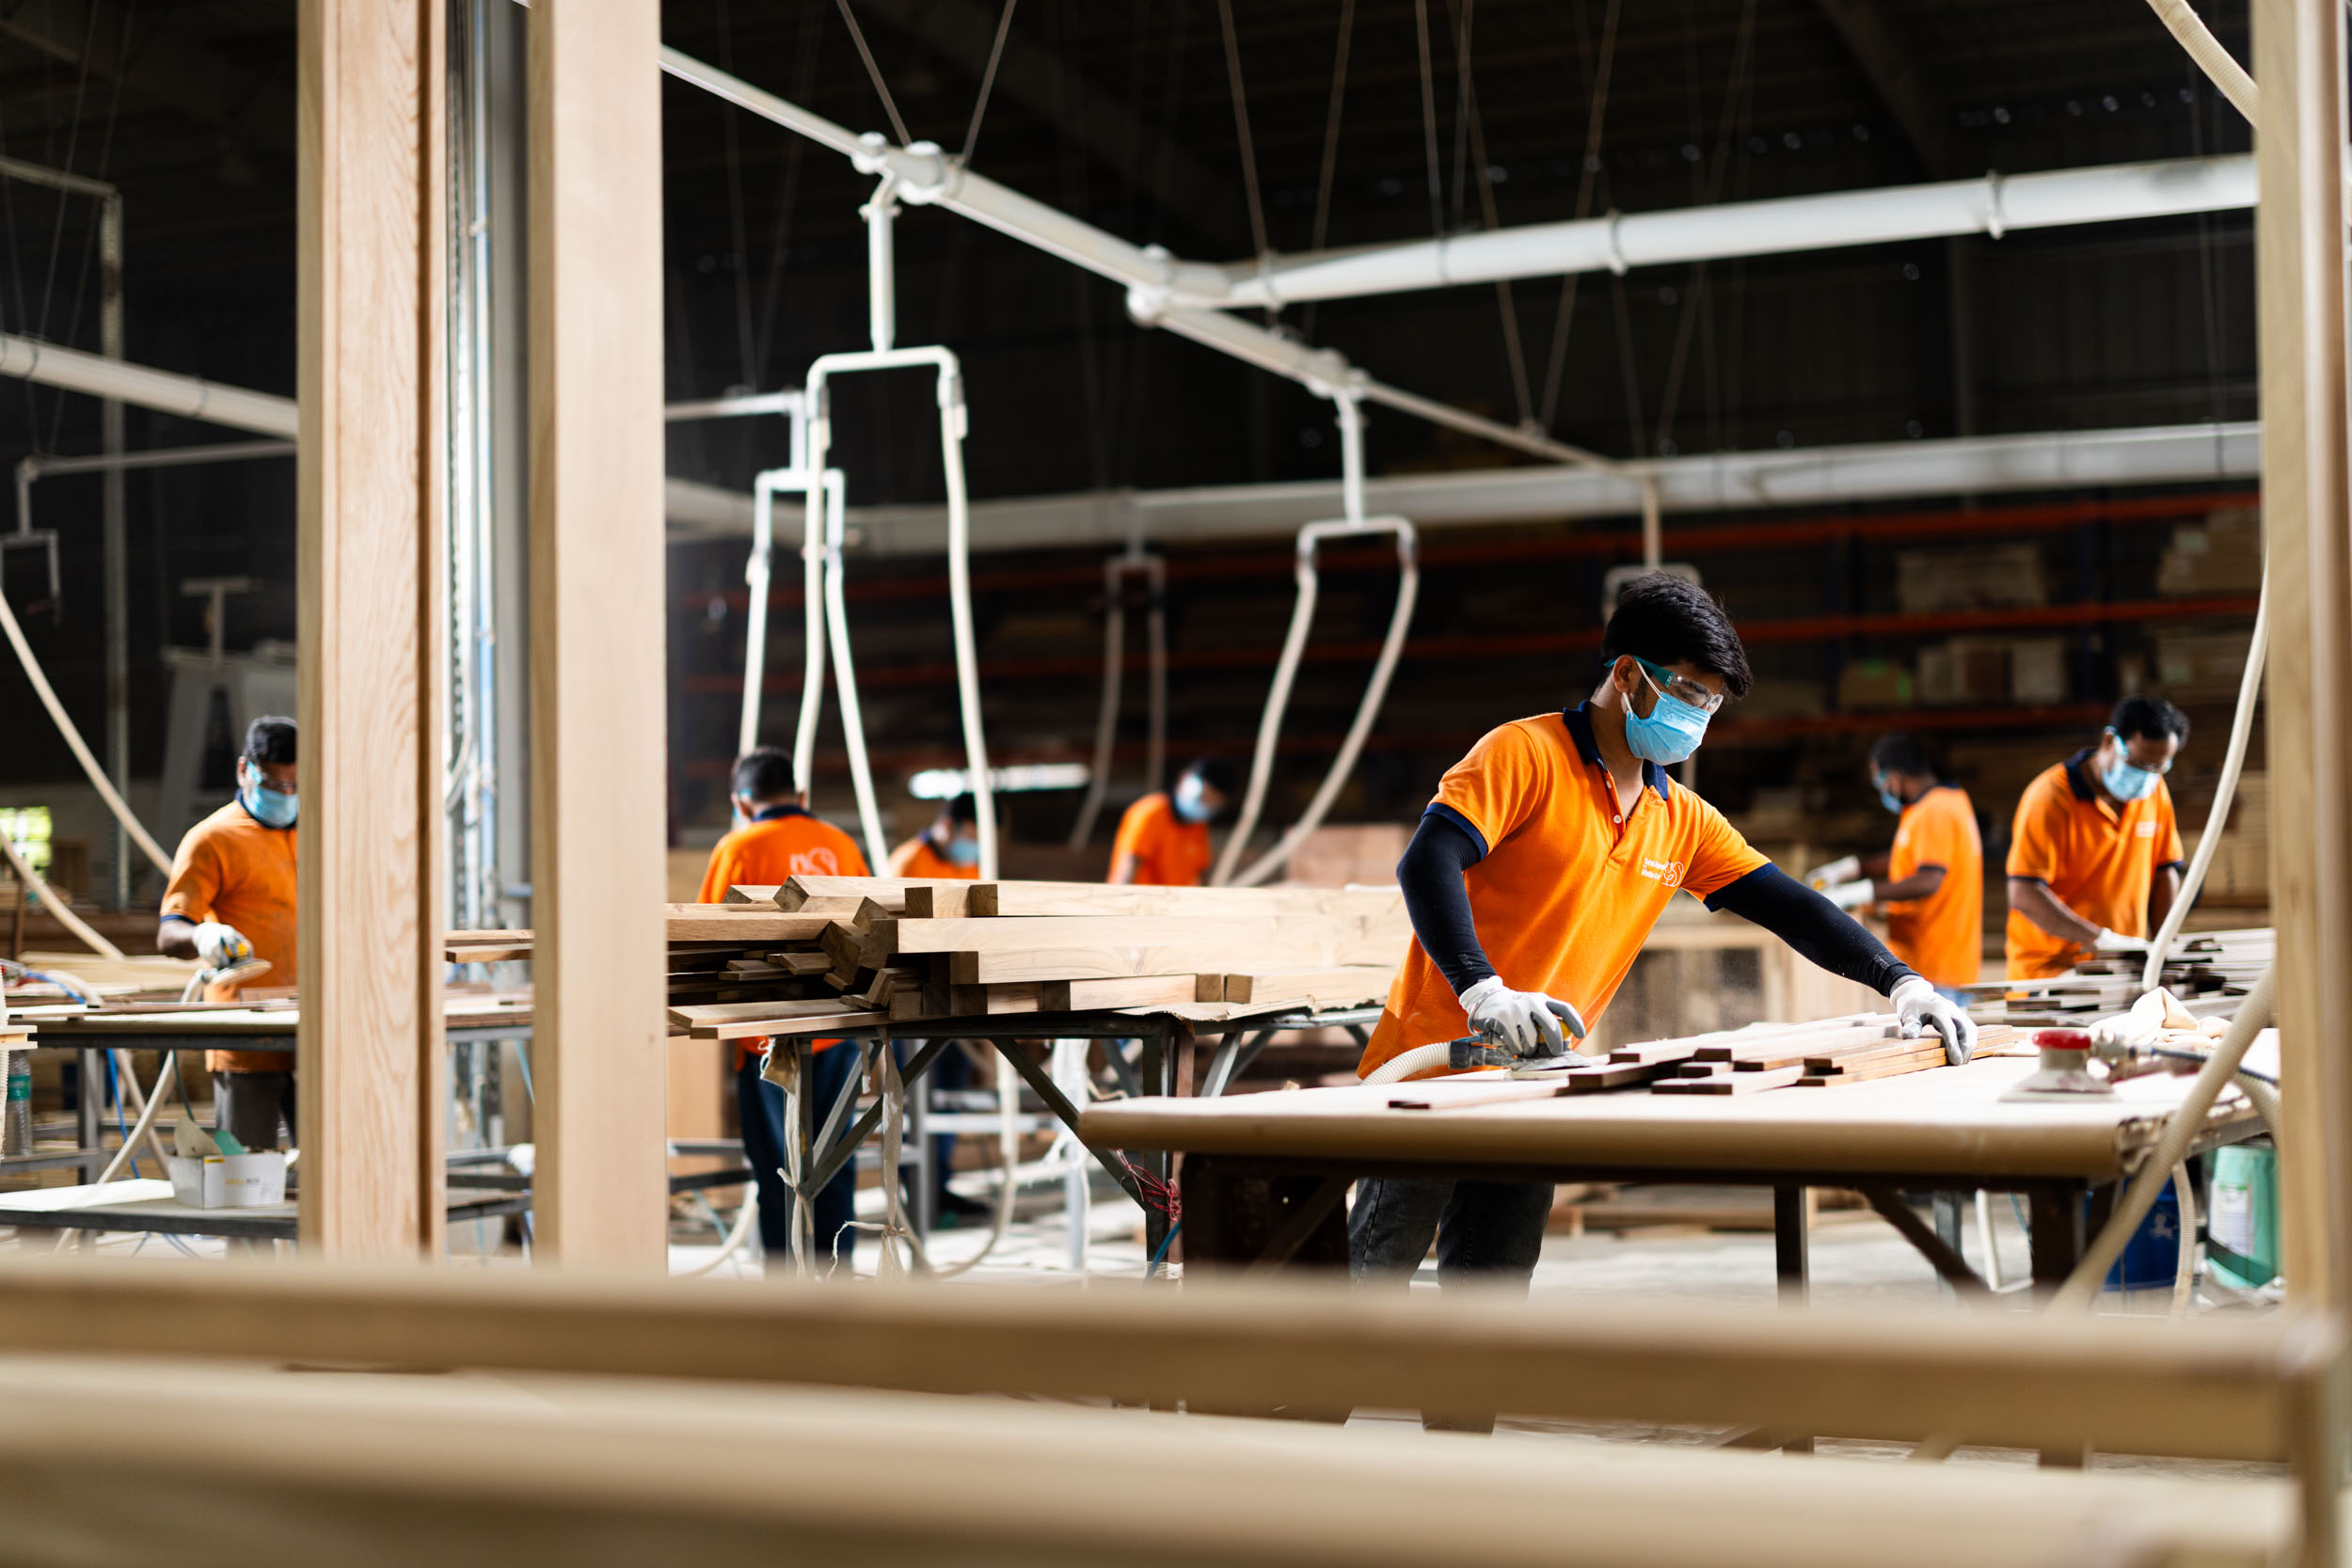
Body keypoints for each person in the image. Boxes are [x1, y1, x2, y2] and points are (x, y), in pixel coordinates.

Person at [1351, 574, 1972, 1292]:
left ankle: (1462, 1413)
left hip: (1531, 1078)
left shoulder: (1680, 818)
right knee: (1361, 1294)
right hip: (1431, 1069)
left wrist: (1901, 981)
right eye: (1686, 691)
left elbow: (1792, 907)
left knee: (1488, 1308)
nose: (1697, 714)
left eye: (1709, 702)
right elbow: (1428, 859)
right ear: (1626, 675)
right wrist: (1482, 989)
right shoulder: (1523, 755)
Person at [699, 747, 871, 1265]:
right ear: (800, 795)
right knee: (834, 1161)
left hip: (767, 1040)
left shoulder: (739, 847)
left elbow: (703, 937)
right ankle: (836, 1276)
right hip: (839, 1028)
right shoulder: (841, 845)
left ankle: (784, 1291)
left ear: (741, 801)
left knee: (779, 1169)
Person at [158, 716, 299, 1153]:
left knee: (332, 1179)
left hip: (315, 1031)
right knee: (245, 1178)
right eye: (276, 786)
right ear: (245, 771)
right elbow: (169, 932)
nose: (287, 797)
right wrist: (203, 937)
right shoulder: (212, 839)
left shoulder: (321, 833)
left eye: (297, 787)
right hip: (246, 1036)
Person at [2005, 697, 2188, 981]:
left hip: (2122, 969)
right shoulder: (2051, 798)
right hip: (2052, 974)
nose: (2146, 776)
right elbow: (2024, 894)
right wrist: (2101, 940)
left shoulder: (2154, 792)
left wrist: (2164, 947)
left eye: (2158, 767)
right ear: (2109, 741)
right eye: (2137, 763)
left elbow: (2165, 870)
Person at [1806, 733, 1984, 997]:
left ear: (1895, 776)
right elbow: (1911, 855)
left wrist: (1859, 892)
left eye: (1878, 778)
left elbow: (1928, 880)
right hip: (1942, 962)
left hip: (1935, 966)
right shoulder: (1947, 802)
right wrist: (1853, 867)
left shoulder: (1933, 811)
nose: (1881, 787)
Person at [882, 792, 990, 1223]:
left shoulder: (967, 863)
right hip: (916, 999)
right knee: (917, 1101)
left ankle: (939, 1188)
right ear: (948, 825)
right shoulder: (909, 861)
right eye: (970, 836)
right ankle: (918, 1196)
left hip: (955, 998)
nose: (974, 846)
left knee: (948, 1100)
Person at [1107, 757, 1232, 885]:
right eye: (1202, 797)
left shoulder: (1198, 823)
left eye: (1211, 803)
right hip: (1142, 901)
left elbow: (1201, 872)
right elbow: (1126, 870)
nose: (1204, 805)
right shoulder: (1150, 813)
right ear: (1184, 779)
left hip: (1174, 901)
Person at [888, 793, 981, 879]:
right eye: (972, 836)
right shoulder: (910, 861)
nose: (975, 844)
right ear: (948, 825)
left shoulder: (969, 865)